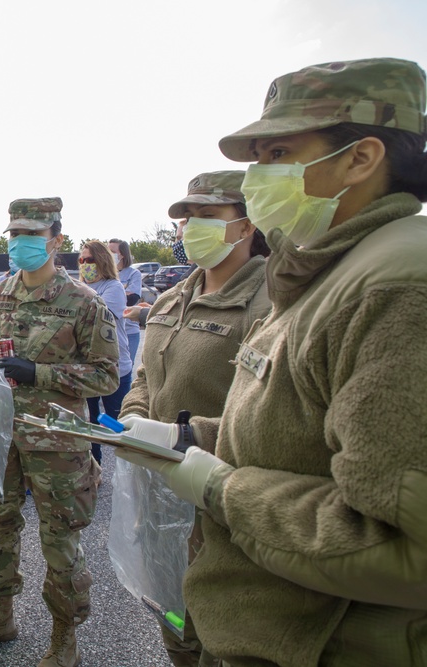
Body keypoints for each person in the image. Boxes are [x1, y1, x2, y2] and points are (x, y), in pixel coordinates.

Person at [116, 58, 427, 666]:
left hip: (327, 642)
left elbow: (401, 543)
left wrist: (220, 487)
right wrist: (187, 436)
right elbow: (294, 431)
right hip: (268, 625)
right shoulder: (328, 272)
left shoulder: (394, 286)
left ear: (361, 159)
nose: (257, 178)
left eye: (277, 152)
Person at [0, 198, 119, 667]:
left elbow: (106, 376)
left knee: (60, 539)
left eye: (32, 235)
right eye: (15, 235)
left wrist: (40, 375)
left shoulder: (83, 303)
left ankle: (65, 637)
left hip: (58, 443)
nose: (21, 243)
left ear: (55, 241)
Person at [118, 170, 270, 667]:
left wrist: (182, 437)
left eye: (208, 216)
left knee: (226, 633)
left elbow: (271, 413)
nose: (190, 228)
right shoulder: (170, 297)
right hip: (160, 489)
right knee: (175, 619)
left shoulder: (270, 302)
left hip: (222, 495)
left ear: (245, 227)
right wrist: (135, 418)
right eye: (187, 218)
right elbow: (144, 376)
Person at [77, 239, 131, 464]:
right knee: (89, 425)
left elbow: (95, 319)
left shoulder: (113, 287)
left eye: (89, 259)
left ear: (101, 261)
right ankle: (94, 468)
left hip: (115, 367)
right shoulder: (80, 288)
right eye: (81, 260)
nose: (84, 264)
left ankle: (125, 471)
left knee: (115, 423)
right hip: (88, 367)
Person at [108, 238, 143, 368]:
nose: (108, 254)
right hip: (111, 331)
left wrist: (113, 295)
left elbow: (132, 298)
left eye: (112, 251)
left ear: (121, 254)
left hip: (129, 330)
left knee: (127, 368)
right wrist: (121, 292)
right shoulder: (106, 274)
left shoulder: (133, 273)